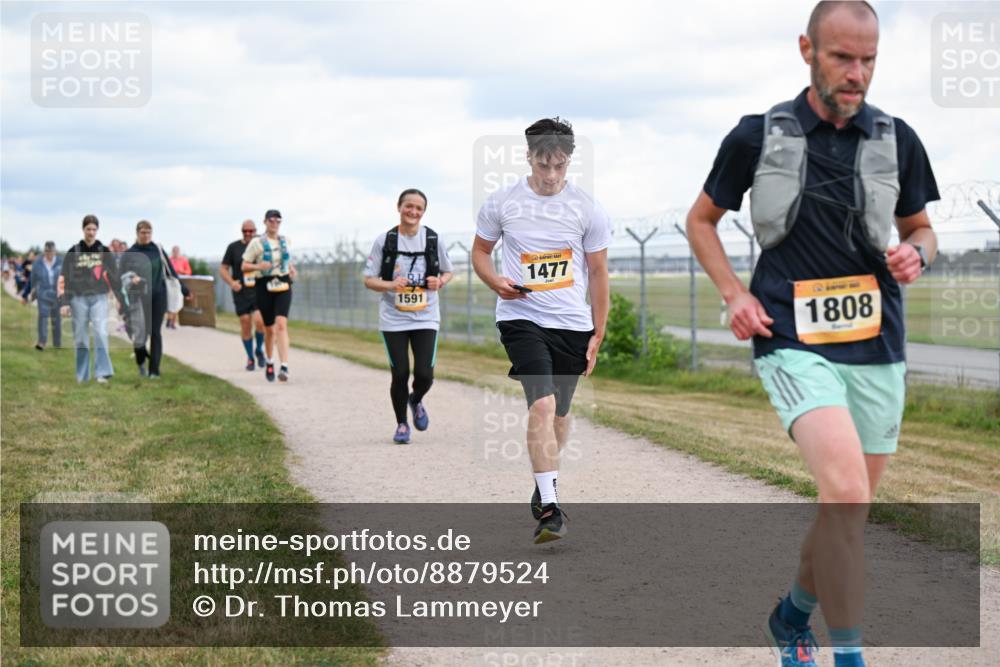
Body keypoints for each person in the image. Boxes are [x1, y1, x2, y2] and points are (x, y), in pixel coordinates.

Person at [685, 3, 939, 666]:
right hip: (789, 336)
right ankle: (848, 657)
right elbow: (701, 220)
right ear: (807, 50)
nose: (857, 74)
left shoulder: (897, 137)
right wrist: (734, 293)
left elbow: (920, 226)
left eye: (869, 59)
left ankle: (790, 615)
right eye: (842, 58)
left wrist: (920, 252)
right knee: (848, 493)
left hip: (876, 342)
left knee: (843, 507)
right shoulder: (756, 135)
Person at [473, 117, 611, 544]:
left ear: (569, 160)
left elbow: (599, 271)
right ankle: (550, 509)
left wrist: (598, 333)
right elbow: (480, 252)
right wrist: (495, 281)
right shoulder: (502, 202)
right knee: (543, 407)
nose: (551, 175)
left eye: (559, 165)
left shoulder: (587, 208)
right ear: (528, 156)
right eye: (542, 164)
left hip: (572, 323)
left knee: (562, 415)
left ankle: (543, 479)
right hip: (521, 318)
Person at [363, 189, 454, 444]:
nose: (413, 212)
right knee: (400, 372)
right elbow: (369, 280)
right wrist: (391, 285)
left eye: (418, 208)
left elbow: (448, 272)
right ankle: (402, 423)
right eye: (408, 206)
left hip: (426, 316)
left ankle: (416, 399)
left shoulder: (433, 239)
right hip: (394, 317)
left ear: (423, 212)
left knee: (425, 374)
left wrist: (440, 281)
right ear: (399, 207)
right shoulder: (386, 240)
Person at [120, 220, 191, 379]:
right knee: (140, 335)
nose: (146, 236)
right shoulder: (130, 253)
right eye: (143, 232)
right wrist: (132, 280)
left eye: (149, 232)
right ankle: (140, 362)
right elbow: (121, 277)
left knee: (155, 332)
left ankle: (154, 371)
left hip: (159, 294)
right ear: (137, 233)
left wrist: (185, 290)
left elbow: (171, 271)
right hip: (138, 298)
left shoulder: (158, 250)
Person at [59, 215, 118, 383]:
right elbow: (64, 277)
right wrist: (64, 302)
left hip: (99, 297)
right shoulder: (74, 251)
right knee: (81, 339)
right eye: (88, 229)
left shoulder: (104, 251)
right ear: (83, 229)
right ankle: (82, 376)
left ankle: (102, 373)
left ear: (97, 230)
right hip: (78, 299)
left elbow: (114, 276)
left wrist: (120, 298)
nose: (91, 232)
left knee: (100, 333)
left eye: (94, 229)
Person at [242, 209, 297, 382]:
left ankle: (285, 366)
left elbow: (287, 261)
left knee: (281, 324)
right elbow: (244, 266)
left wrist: (292, 269)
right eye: (271, 220)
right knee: (269, 329)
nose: (274, 223)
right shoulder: (257, 243)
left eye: (278, 220)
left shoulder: (286, 241)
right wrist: (259, 267)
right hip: (263, 286)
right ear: (265, 222)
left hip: (283, 284)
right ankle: (270, 360)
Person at [220, 219, 267, 370]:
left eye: (251, 231)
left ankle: (259, 349)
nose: (248, 234)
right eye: (245, 231)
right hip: (241, 290)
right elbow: (223, 268)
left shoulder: (262, 244)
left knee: (260, 322)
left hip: (259, 289)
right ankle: (250, 357)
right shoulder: (233, 247)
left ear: (255, 231)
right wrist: (232, 282)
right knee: (245, 323)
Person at [24, 241, 63, 351]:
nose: (49, 253)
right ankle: (42, 342)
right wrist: (25, 294)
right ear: (44, 251)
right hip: (43, 293)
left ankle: (57, 343)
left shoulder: (61, 262)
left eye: (51, 251)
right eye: (47, 251)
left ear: (55, 251)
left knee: (56, 319)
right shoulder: (38, 263)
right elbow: (32, 280)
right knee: (43, 316)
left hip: (57, 294)